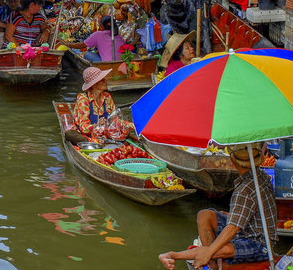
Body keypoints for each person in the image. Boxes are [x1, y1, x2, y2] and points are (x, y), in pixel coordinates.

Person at [158, 142, 277, 270]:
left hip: (260, 244)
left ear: (232, 160)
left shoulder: (245, 190)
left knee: (221, 250)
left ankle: (173, 255)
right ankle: (213, 264)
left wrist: (209, 253)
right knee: (204, 215)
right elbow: (247, 213)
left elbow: (233, 227)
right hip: (248, 228)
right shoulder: (259, 175)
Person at [64, 67, 133, 145]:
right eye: (102, 80)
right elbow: (84, 128)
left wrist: (129, 125)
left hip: (104, 134)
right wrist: (97, 125)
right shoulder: (83, 99)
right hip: (86, 135)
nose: (105, 81)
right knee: (70, 134)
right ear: (94, 84)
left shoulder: (107, 97)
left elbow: (115, 120)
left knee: (125, 133)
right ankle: (91, 143)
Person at [61, 16, 125, 62]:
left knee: (87, 54)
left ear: (102, 26)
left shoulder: (98, 34)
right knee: (96, 52)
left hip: (106, 64)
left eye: (100, 24)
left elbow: (81, 45)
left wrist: (67, 44)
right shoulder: (118, 35)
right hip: (119, 63)